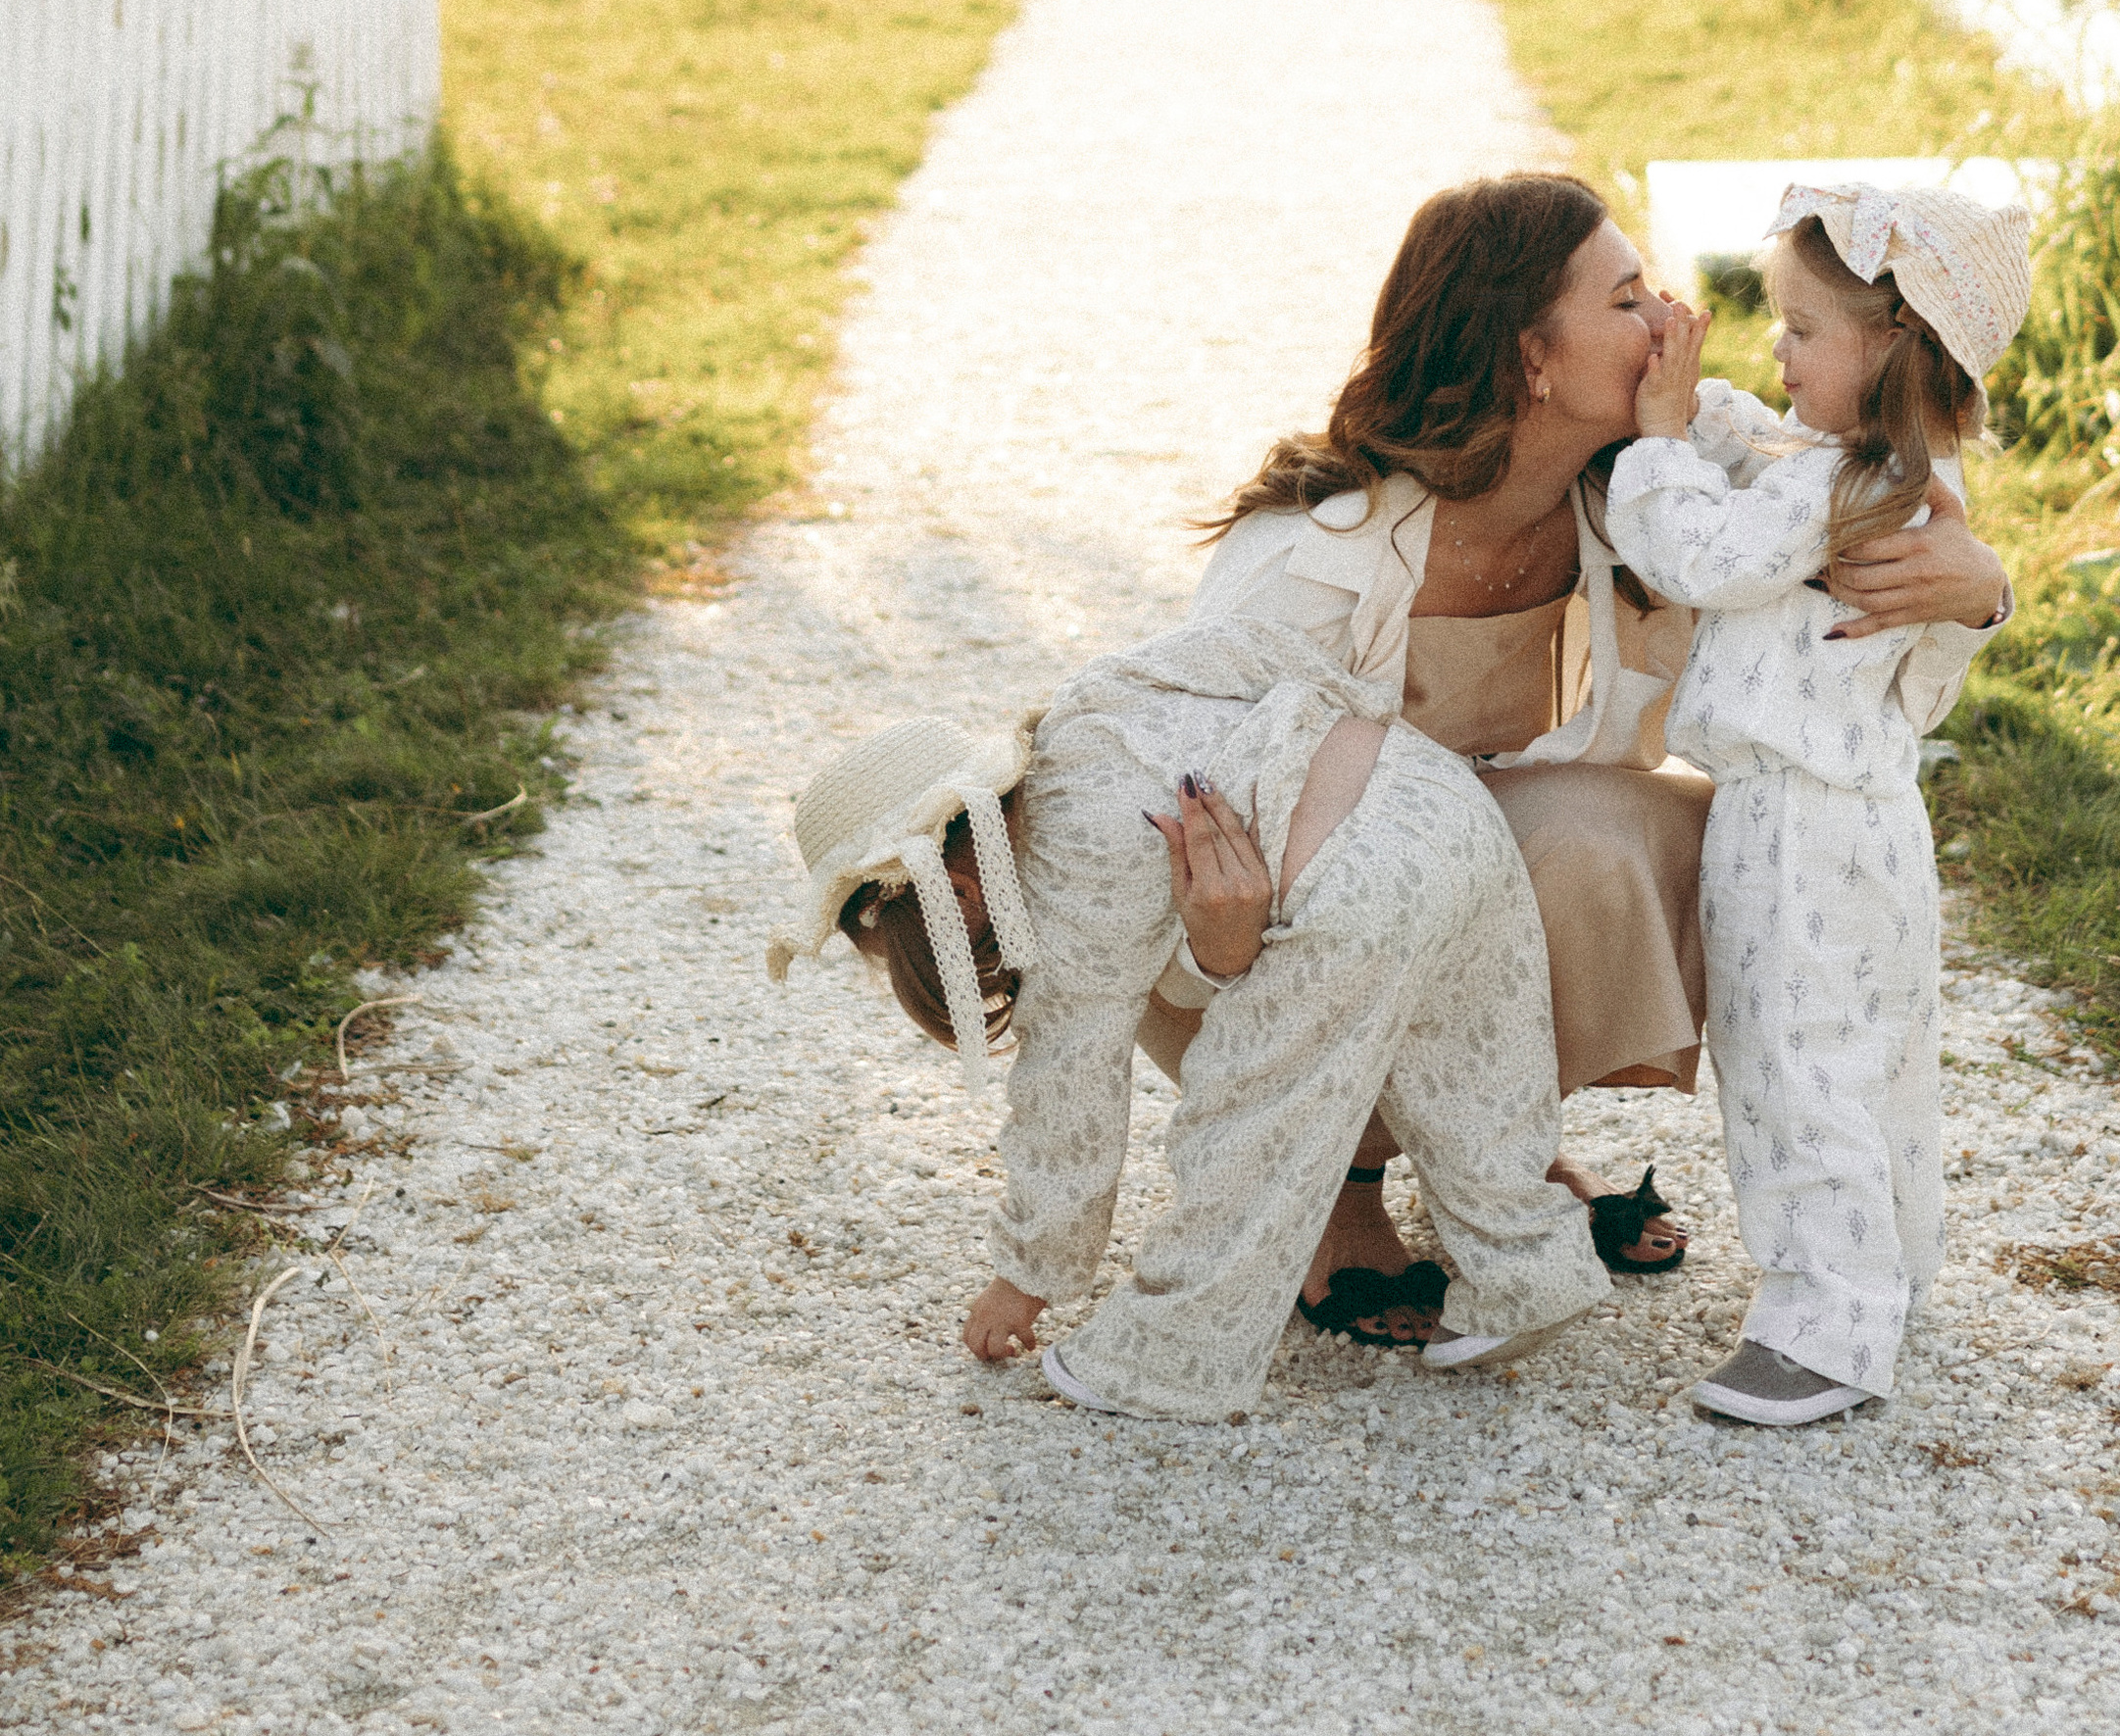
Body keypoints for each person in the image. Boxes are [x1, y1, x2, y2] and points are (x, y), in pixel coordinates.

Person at [1180, 172, 2014, 1346]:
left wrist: (1981, 591)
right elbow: (1173, 775)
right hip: (1260, 908)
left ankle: (1493, 1159)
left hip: (1435, 886)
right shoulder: (1313, 555)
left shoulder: (1635, 484)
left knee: (1689, 842)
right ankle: (1339, 1189)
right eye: (1629, 297)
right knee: (1421, 867)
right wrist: (1217, 936)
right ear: (1530, 355)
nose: (1675, 319)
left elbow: (1853, 557)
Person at [767, 617, 1609, 1424]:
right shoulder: (1094, 704)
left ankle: (1172, 1351)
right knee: (1472, 1064)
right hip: (1437, 799)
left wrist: (1024, 1277)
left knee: (1253, 1116)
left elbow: (1068, 1101)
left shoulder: (1059, 879)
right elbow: (1254, 647)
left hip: (1347, 891)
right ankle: (1529, 1272)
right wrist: (1335, 735)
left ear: (956, 895)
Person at [1606, 178, 2032, 1426]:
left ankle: (1825, 1326)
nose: (1776, 350)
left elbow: (1702, 556)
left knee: (1792, 1058)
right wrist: (1706, 414)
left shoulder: (1834, 488)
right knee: (1873, 1053)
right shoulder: (1894, 472)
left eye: (1799, 330)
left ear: (1891, 339)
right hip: (1868, 819)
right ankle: (1885, 1266)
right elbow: (1766, 459)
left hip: (1796, 825)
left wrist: (1651, 442)